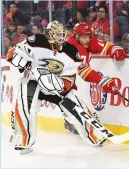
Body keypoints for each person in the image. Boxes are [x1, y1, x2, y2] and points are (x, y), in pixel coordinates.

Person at [7, 20, 122, 154]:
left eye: (62, 34)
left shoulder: (71, 51)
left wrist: (61, 86)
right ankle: (23, 140)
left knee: (77, 106)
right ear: (49, 35)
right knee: (24, 103)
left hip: (56, 83)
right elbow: (13, 52)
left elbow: (78, 73)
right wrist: (17, 58)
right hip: (32, 80)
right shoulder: (36, 41)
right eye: (57, 35)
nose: (60, 38)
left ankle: (93, 134)